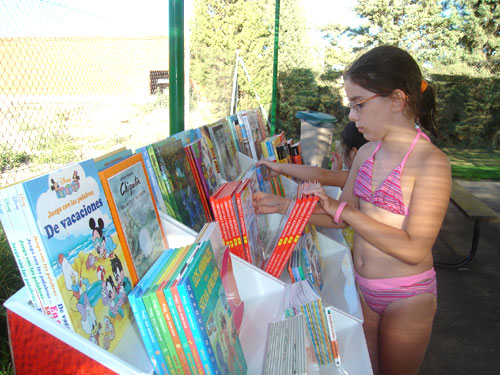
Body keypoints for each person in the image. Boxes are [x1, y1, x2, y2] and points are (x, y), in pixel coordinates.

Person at [254, 45, 451, 375]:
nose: (352, 116)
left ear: (397, 100)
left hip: (407, 298)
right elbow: (337, 213)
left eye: (359, 104)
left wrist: (343, 211)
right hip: (364, 288)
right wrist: (284, 207)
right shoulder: (366, 154)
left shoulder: (431, 163)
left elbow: (414, 248)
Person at [257, 121, 367, 189]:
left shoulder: (356, 176)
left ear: (354, 152)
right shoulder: (369, 172)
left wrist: (280, 167)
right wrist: (336, 173)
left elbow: (322, 175)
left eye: (343, 152)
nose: (342, 156)